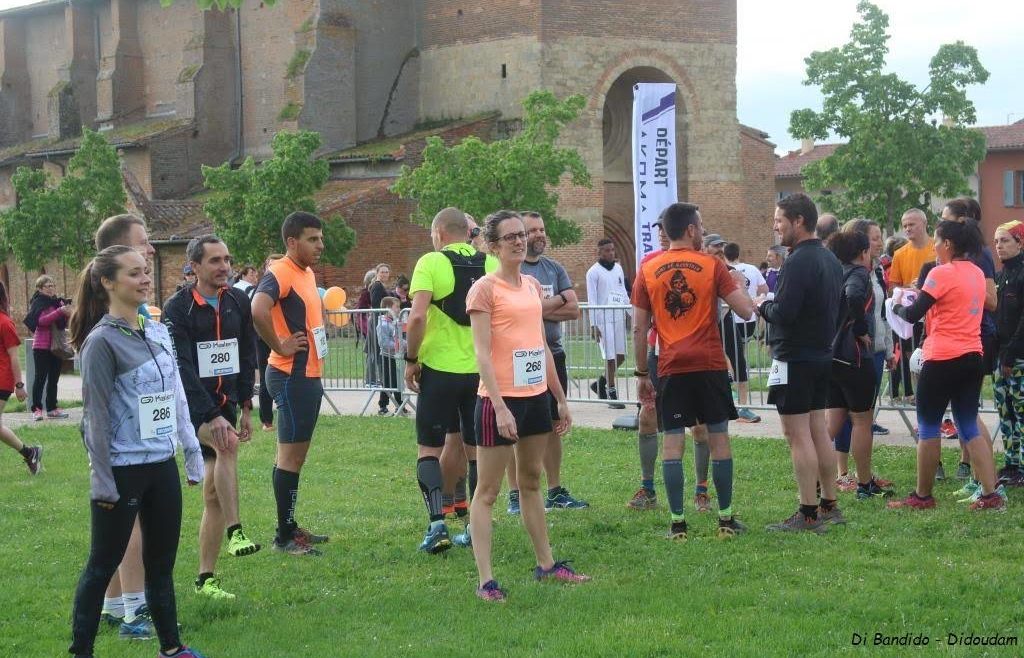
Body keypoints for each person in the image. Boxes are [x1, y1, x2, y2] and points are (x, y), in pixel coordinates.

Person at [67, 245, 206, 658]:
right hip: (122, 470)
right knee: (102, 564)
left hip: (161, 466)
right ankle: (81, 651)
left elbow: (176, 395)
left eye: (146, 271)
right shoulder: (101, 342)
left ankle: (172, 649)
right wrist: (102, 480)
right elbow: (94, 418)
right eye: (134, 273)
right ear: (107, 282)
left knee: (161, 566)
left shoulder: (156, 332)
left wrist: (191, 450)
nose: (145, 279)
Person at [467, 210, 589, 602]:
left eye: (522, 235)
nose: (520, 241)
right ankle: (486, 581)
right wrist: (500, 407)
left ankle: (547, 565)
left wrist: (560, 398)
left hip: (536, 397)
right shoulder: (483, 289)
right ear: (493, 245)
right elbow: (482, 354)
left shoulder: (533, 286)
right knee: (488, 491)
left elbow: (541, 347)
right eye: (511, 237)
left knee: (532, 481)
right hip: (499, 401)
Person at [632, 203, 754, 540]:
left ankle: (677, 524)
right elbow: (745, 311)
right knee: (719, 438)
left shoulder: (648, 269)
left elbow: (639, 328)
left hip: (670, 364)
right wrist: (740, 284)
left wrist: (641, 373)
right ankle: (725, 520)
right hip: (709, 363)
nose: (702, 231)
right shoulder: (713, 265)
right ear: (690, 230)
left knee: (672, 441)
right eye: (700, 226)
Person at [163, 235, 261, 601]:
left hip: (225, 403)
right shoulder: (178, 308)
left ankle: (205, 579)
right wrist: (211, 415)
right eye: (215, 261)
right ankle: (237, 530)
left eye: (227, 259)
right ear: (194, 267)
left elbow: (247, 354)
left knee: (213, 494)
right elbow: (182, 368)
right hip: (192, 405)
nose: (225, 267)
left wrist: (246, 405)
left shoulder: (238, 300)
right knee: (227, 444)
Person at [887, 221, 1004, 511]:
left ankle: (922, 497)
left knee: (928, 427)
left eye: (937, 241)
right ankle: (990, 494)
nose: (934, 247)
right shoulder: (976, 272)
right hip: (972, 356)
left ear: (948, 244)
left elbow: (913, 314)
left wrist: (894, 305)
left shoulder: (940, 273)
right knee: (968, 424)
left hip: (941, 357)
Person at [404, 207, 497, 553]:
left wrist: (411, 360)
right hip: (479, 372)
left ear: (439, 234)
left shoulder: (430, 262)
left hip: (439, 371)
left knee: (429, 449)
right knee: (477, 452)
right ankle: (474, 527)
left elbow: (417, 317)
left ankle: (436, 525)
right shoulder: (491, 264)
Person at [756, 193, 845, 533]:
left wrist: (762, 305)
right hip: (821, 354)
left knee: (797, 434)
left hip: (794, 356)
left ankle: (807, 512)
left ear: (798, 221)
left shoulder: (797, 261)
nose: (775, 227)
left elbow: (785, 312)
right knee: (818, 429)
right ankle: (829, 504)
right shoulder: (829, 258)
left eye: (779, 220)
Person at [92, 212, 158, 638]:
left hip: (140, 433)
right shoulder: (110, 317)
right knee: (129, 523)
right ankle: (136, 611)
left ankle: (114, 605)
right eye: (142, 242)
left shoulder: (134, 306)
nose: (150, 249)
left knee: (120, 524)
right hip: (124, 440)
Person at [252, 211, 331, 556]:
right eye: (313, 239)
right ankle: (284, 536)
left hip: (307, 376)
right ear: (292, 242)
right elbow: (258, 308)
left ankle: (289, 526)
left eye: (321, 238)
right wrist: (279, 345)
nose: (320, 245)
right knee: (289, 458)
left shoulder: (306, 272)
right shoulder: (281, 271)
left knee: (294, 457)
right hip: (291, 376)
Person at [507, 210, 587, 511]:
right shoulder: (512, 270)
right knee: (515, 427)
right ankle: (515, 494)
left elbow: (574, 309)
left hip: (552, 354)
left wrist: (536, 307)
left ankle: (555, 490)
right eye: (531, 231)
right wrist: (551, 304)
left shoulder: (554, 268)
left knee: (554, 423)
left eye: (541, 229)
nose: (539, 234)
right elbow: (517, 311)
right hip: (519, 358)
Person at [825, 230, 893, 500]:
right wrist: (861, 329)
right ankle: (864, 484)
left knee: (832, 423)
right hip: (854, 357)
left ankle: (816, 480)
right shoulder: (859, 274)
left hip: (831, 356)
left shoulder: (832, 273)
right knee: (862, 420)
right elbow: (854, 296)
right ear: (863, 253)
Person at [627, 221, 671, 510]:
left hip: (695, 357)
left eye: (668, 229)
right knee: (647, 415)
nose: (663, 235)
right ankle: (648, 488)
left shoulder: (704, 262)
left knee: (699, 425)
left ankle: (702, 490)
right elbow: (640, 320)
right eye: (659, 231)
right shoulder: (649, 263)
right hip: (658, 351)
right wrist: (641, 369)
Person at [887, 209, 934, 404]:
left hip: (933, 313)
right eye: (904, 225)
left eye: (911, 224)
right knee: (910, 354)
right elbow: (893, 287)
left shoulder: (937, 248)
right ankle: (916, 394)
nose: (907, 228)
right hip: (910, 315)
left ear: (924, 223)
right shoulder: (900, 254)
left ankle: (933, 395)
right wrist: (909, 289)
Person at [993, 221, 1024, 486]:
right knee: (1005, 412)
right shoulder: (1001, 275)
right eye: (996, 241)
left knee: (1021, 413)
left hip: (1018, 357)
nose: (999, 246)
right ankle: (1011, 463)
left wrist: (1011, 353)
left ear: (1020, 243)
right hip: (1000, 356)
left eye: (1004, 240)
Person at [723, 242, 768, 423]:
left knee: (737, 359)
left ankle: (741, 406)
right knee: (727, 359)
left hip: (733, 318)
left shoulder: (730, 271)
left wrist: (742, 289)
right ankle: (730, 400)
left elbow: (746, 306)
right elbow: (764, 290)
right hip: (723, 322)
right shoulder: (750, 269)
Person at [0, 281, 41, 474]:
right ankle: (30, 452)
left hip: (2, 379)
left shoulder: (5, 323)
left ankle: (30, 452)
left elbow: (14, 356)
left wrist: (19, 385)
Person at [586, 238, 630, 409]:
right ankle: (612, 392)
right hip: (603, 319)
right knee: (610, 357)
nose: (611, 253)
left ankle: (600, 383)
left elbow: (623, 292)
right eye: (607, 250)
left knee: (621, 356)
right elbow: (592, 299)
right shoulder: (593, 273)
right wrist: (593, 325)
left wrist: (632, 313)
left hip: (618, 316)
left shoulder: (618, 268)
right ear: (599, 252)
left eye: (612, 249)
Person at [24, 275, 72, 420]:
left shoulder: (57, 302)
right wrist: (59, 311)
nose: (51, 288)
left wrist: (66, 313)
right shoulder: (38, 302)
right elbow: (41, 321)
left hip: (56, 346)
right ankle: (37, 409)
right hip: (41, 346)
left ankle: (52, 408)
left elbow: (61, 323)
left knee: (53, 379)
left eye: (52, 285)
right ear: (40, 289)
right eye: (47, 286)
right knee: (40, 378)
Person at [256, 255, 285, 431]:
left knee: (285, 376)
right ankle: (266, 420)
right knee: (266, 378)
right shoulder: (262, 287)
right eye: (270, 264)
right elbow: (256, 313)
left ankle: (286, 413)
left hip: (283, 338)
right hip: (265, 339)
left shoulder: (284, 285)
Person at [375, 296, 405, 415]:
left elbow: (398, 338)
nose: (399, 309)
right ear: (388, 308)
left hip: (395, 357)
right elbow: (383, 343)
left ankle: (400, 405)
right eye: (396, 307)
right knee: (387, 383)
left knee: (398, 381)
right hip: (386, 357)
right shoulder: (382, 324)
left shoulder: (394, 322)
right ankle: (383, 406)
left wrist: (404, 344)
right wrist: (399, 345)